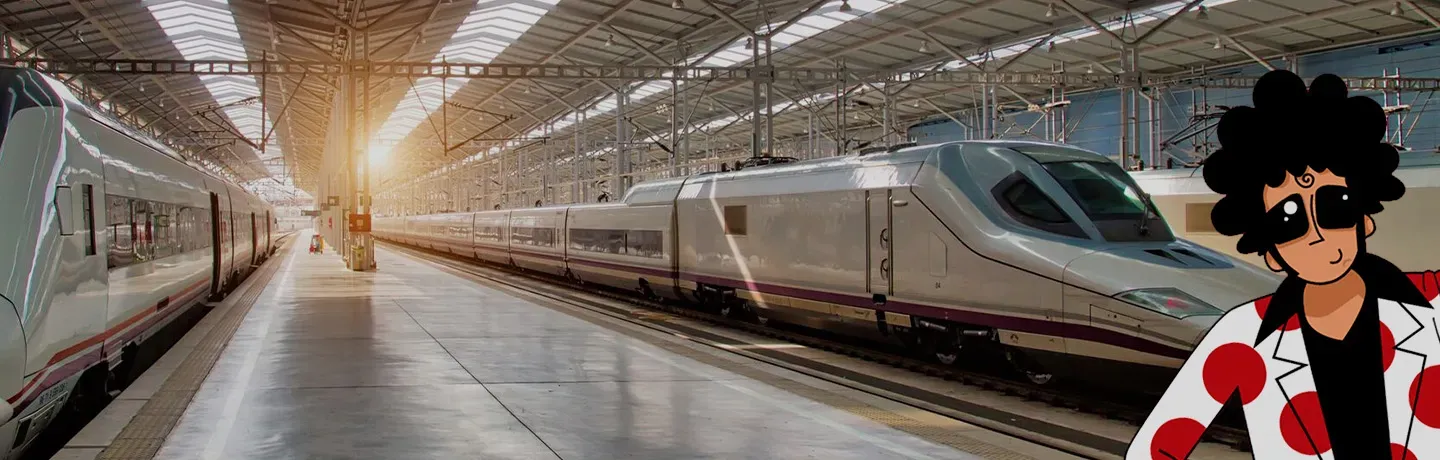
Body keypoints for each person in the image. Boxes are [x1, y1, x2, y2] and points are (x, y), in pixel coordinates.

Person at [1126, 70, 1440, 459]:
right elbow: (1156, 447)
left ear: (1365, 219)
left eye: (1335, 207)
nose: (1318, 233)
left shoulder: (1433, 304)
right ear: (1271, 252)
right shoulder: (1242, 339)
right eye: (1288, 223)